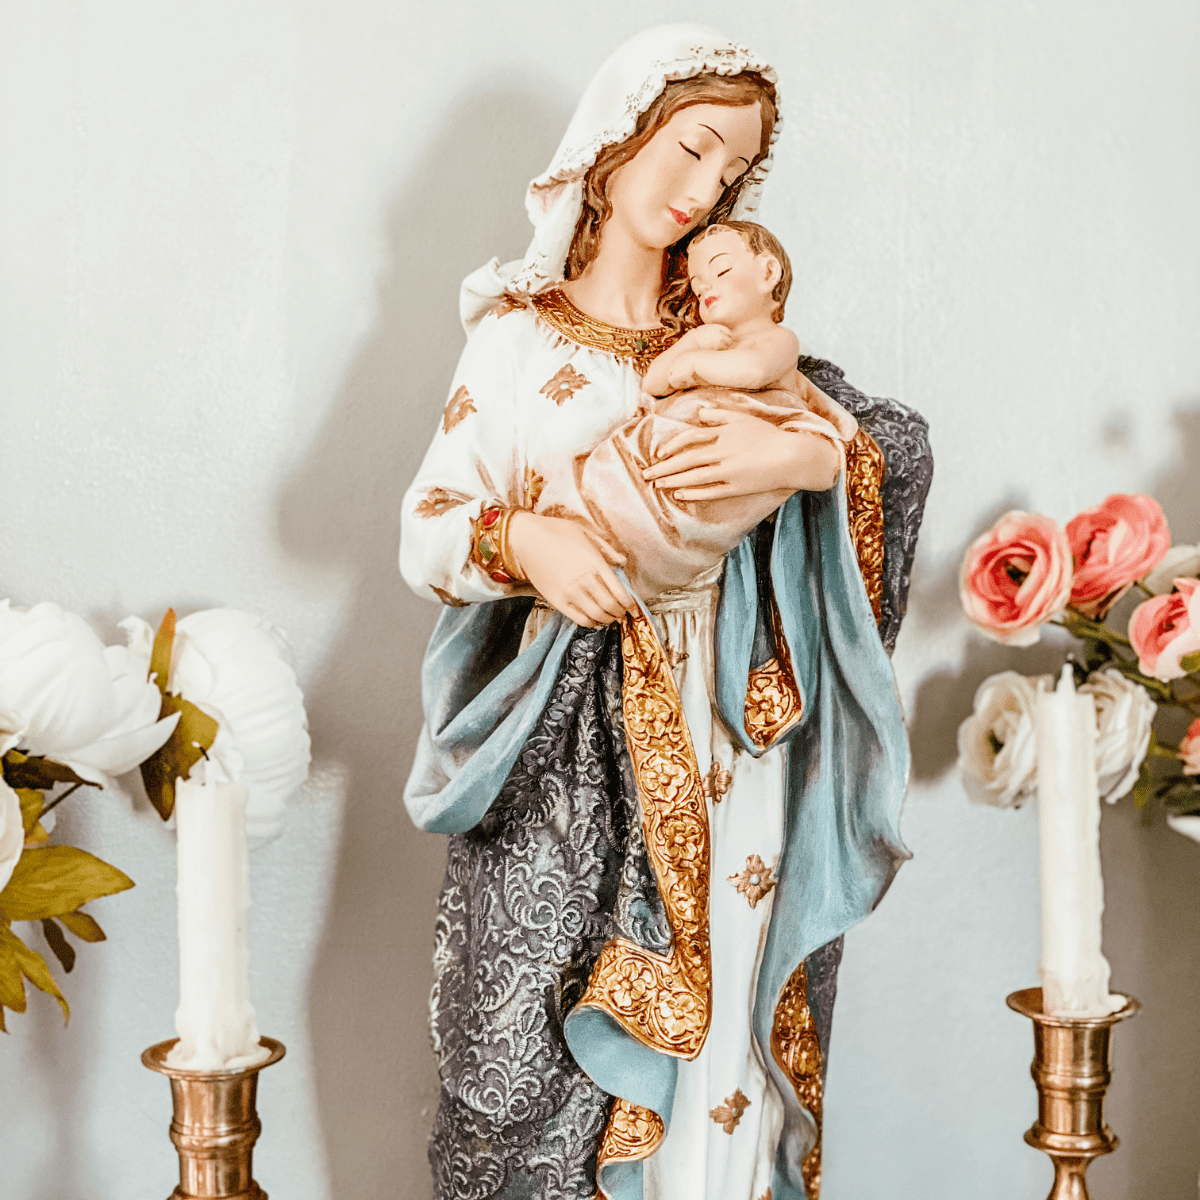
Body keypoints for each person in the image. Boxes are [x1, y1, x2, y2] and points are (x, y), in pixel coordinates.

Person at [400, 25, 932, 1200]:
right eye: (689, 151)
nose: (699, 194)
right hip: (562, 739)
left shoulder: (732, 344)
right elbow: (429, 522)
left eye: (729, 178)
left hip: (727, 731)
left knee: (726, 1016)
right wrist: (527, 538)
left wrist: (814, 467)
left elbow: (869, 448)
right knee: (522, 1046)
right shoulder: (514, 338)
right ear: (616, 138)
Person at [537, 219, 860, 600]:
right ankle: (589, 516)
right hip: (673, 438)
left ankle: (637, 537)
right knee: (627, 462)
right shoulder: (701, 339)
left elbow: (752, 371)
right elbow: (654, 383)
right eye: (696, 283)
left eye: (721, 271)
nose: (705, 287)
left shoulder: (777, 340)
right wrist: (688, 346)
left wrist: (694, 365)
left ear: (768, 272)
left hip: (726, 455)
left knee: (684, 493)